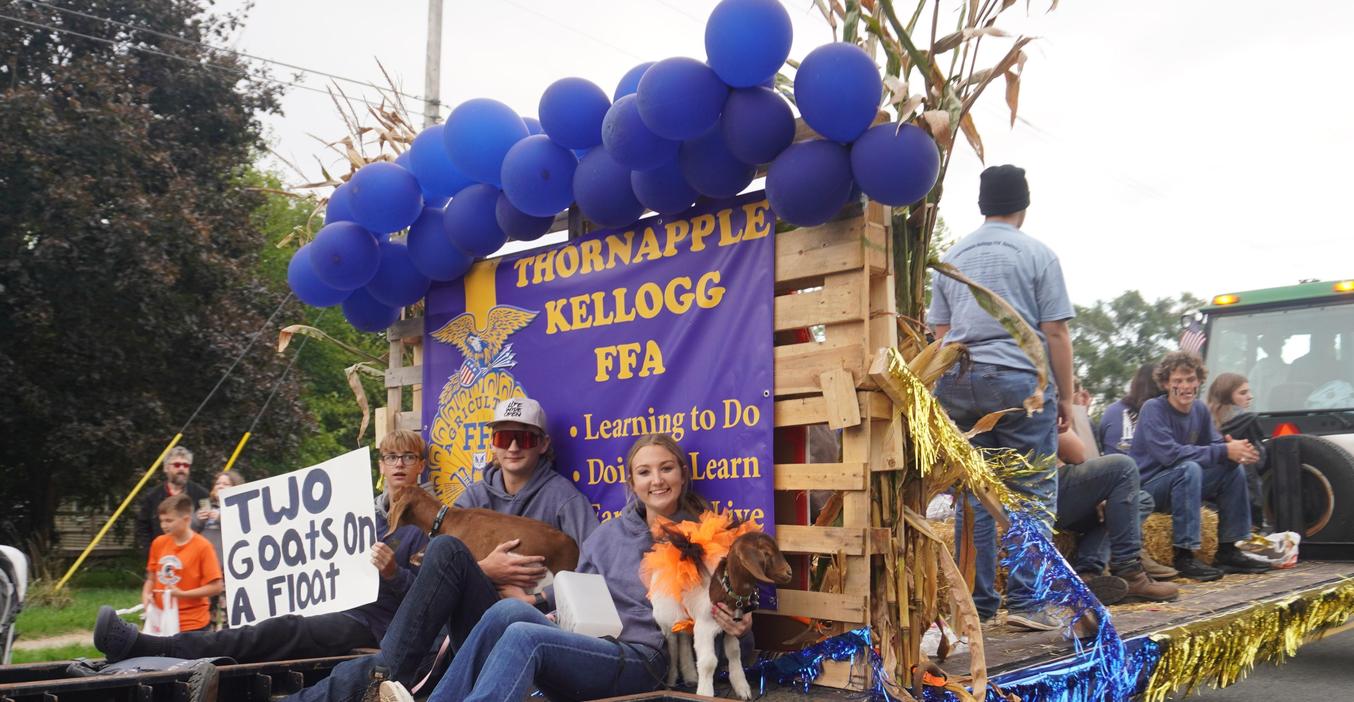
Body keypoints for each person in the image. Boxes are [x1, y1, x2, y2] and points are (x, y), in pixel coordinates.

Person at [274, 398, 600, 702]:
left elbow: (595, 576)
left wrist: (537, 600)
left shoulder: (565, 500)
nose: (513, 447)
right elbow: (441, 574)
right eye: (504, 438)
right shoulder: (472, 498)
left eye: (525, 439)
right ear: (493, 444)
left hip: (522, 624)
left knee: (440, 558)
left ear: (543, 444)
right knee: (377, 660)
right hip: (459, 622)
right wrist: (485, 569)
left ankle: (393, 672)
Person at [402, 433, 750, 702]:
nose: (656, 480)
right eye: (644, 472)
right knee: (506, 612)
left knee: (526, 637)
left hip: (646, 660)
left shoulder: (708, 539)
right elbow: (578, 589)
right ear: (631, 482)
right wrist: (538, 603)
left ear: (682, 474)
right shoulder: (608, 534)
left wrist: (741, 626)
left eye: (666, 468)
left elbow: (730, 626)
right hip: (588, 643)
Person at [95, 430, 431, 662]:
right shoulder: (355, 508)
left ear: (420, 465)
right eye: (391, 456)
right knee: (256, 630)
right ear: (381, 465)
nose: (399, 464)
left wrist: (392, 573)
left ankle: (148, 647)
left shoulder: (428, 526)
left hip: (370, 624)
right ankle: (154, 648)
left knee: (281, 631)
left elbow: (425, 600)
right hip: (326, 603)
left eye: (407, 456)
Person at [928, 164, 1076, 631]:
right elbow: (1054, 331)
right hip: (1017, 380)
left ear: (982, 206)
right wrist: (1066, 396)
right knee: (1029, 491)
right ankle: (1030, 605)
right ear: (1023, 207)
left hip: (958, 381)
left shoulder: (953, 255)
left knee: (975, 496)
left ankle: (979, 605)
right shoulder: (1037, 254)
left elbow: (941, 333)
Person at [1130, 352, 1270, 581]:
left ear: (1199, 382)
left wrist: (1235, 451)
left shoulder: (1200, 410)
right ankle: (1184, 554)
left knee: (1232, 468)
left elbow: (1215, 445)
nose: (1185, 386)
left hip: (1183, 482)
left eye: (1190, 380)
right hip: (1151, 487)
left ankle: (1227, 549)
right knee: (1189, 468)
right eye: (1178, 381)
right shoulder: (1153, 409)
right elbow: (1170, 455)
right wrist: (1223, 451)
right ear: (1166, 384)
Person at [1054, 428, 1179, 604]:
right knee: (1123, 467)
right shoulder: (1035, 402)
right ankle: (1129, 570)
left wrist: (1102, 492)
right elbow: (1077, 454)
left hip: (1039, 496)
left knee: (1141, 499)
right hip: (1043, 496)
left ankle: (1088, 574)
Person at [141, 494, 223, 634]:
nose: (164, 525)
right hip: (161, 621)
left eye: (169, 521)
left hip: (192, 624)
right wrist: (146, 597)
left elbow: (216, 587)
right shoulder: (159, 543)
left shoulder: (203, 546)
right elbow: (151, 578)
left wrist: (183, 594)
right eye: (161, 521)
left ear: (186, 520)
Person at [1207, 373, 1269, 531]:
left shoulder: (1203, 419)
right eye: (1243, 393)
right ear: (1227, 395)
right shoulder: (1247, 421)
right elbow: (1259, 461)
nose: (1250, 396)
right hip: (1245, 502)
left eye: (1249, 392)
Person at [134, 446, 210, 557]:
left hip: (193, 558)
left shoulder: (202, 494)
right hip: (162, 557)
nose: (181, 469)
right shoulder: (152, 496)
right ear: (166, 468)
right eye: (177, 465)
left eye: (186, 465)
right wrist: (149, 553)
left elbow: (208, 525)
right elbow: (142, 527)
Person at [197, 470, 246, 629]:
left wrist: (220, 517)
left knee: (227, 608)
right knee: (207, 605)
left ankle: (227, 636)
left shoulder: (240, 507)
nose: (220, 486)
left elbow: (243, 526)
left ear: (235, 487)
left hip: (228, 567)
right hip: (207, 567)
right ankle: (208, 635)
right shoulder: (206, 507)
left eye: (226, 484)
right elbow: (190, 528)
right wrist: (198, 519)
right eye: (218, 483)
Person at [1098, 363, 1163, 457]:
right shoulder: (1162, 412)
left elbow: (1101, 444)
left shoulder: (1111, 410)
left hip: (1113, 468)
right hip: (1147, 470)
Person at [1247, 334, 1289, 409]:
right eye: (1280, 345)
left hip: (1262, 411)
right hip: (1284, 410)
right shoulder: (1287, 368)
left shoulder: (1258, 367)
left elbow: (1250, 390)